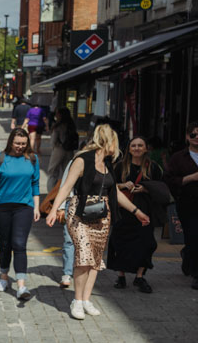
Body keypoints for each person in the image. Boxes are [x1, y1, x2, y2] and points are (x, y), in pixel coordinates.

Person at [47, 124, 150, 320]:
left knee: (95, 259)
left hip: (102, 215)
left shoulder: (108, 163)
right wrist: (54, 210)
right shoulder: (82, 159)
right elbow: (66, 186)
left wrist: (136, 211)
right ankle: (76, 301)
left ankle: (86, 300)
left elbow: (115, 192)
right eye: (116, 142)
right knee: (84, 255)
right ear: (109, 140)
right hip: (80, 213)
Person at [0, 128, 40, 301]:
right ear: (10, 142)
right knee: (6, 244)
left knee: (19, 244)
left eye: (23, 144)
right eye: (17, 143)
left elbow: (35, 184)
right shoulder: (0, 158)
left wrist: (37, 207)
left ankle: (21, 286)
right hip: (2, 207)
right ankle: (3, 277)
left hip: (24, 207)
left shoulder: (32, 158)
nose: (20, 147)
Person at [108, 137, 164, 292]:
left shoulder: (153, 167)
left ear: (146, 148)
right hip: (123, 212)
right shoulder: (120, 166)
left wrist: (146, 189)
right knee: (120, 242)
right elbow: (109, 186)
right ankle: (121, 276)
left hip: (145, 211)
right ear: (129, 149)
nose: (137, 148)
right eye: (134, 145)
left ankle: (139, 277)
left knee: (147, 243)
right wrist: (123, 185)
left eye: (140, 145)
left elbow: (162, 188)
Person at [164, 124, 198, 290]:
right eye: (193, 134)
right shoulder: (178, 158)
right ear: (187, 137)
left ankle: (187, 255)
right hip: (188, 204)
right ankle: (196, 274)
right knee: (193, 236)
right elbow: (169, 180)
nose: (196, 137)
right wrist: (191, 178)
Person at [47, 107, 79, 189]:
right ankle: (67, 190)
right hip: (69, 150)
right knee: (67, 171)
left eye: (57, 113)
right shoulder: (71, 125)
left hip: (59, 149)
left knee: (53, 171)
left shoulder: (58, 126)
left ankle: (51, 191)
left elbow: (53, 141)